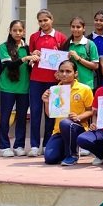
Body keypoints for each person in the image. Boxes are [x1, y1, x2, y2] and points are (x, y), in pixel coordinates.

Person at [28, 9, 68, 157]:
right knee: (35, 112)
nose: (43, 23)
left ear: (52, 20)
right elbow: (31, 57)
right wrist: (33, 55)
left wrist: (61, 74)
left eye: (46, 20)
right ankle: (34, 145)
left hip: (54, 81)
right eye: (40, 21)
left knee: (52, 113)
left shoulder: (61, 37)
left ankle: (47, 144)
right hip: (36, 79)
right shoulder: (34, 37)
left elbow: (65, 60)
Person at [42, 60, 94, 166]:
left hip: (77, 128)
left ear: (75, 73)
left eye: (68, 71)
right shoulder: (55, 90)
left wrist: (78, 117)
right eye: (61, 71)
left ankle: (73, 155)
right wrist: (46, 102)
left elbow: (91, 111)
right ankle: (65, 151)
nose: (64, 74)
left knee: (66, 123)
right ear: (57, 73)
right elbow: (49, 115)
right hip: (58, 131)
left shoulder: (85, 89)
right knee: (50, 159)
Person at [0, 20, 31, 158]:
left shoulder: (27, 48)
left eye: (20, 30)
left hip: (24, 88)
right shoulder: (3, 47)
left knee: (22, 118)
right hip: (6, 88)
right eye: (14, 30)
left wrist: (33, 57)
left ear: (24, 32)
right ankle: (4, 147)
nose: (17, 33)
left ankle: (19, 146)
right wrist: (25, 58)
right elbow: (10, 65)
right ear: (10, 31)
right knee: (4, 118)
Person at [62, 16, 100, 90]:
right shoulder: (67, 44)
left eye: (78, 27)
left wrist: (79, 58)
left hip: (86, 84)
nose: (75, 29)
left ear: (84, 28)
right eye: (73, 27)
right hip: (69, 85)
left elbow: (95, 66)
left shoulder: (90, 44)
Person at [90, 10, 103, 88]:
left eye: (101, 20)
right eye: (96, 20)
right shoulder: (87, 39)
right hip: (91, 78)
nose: (98, 22)